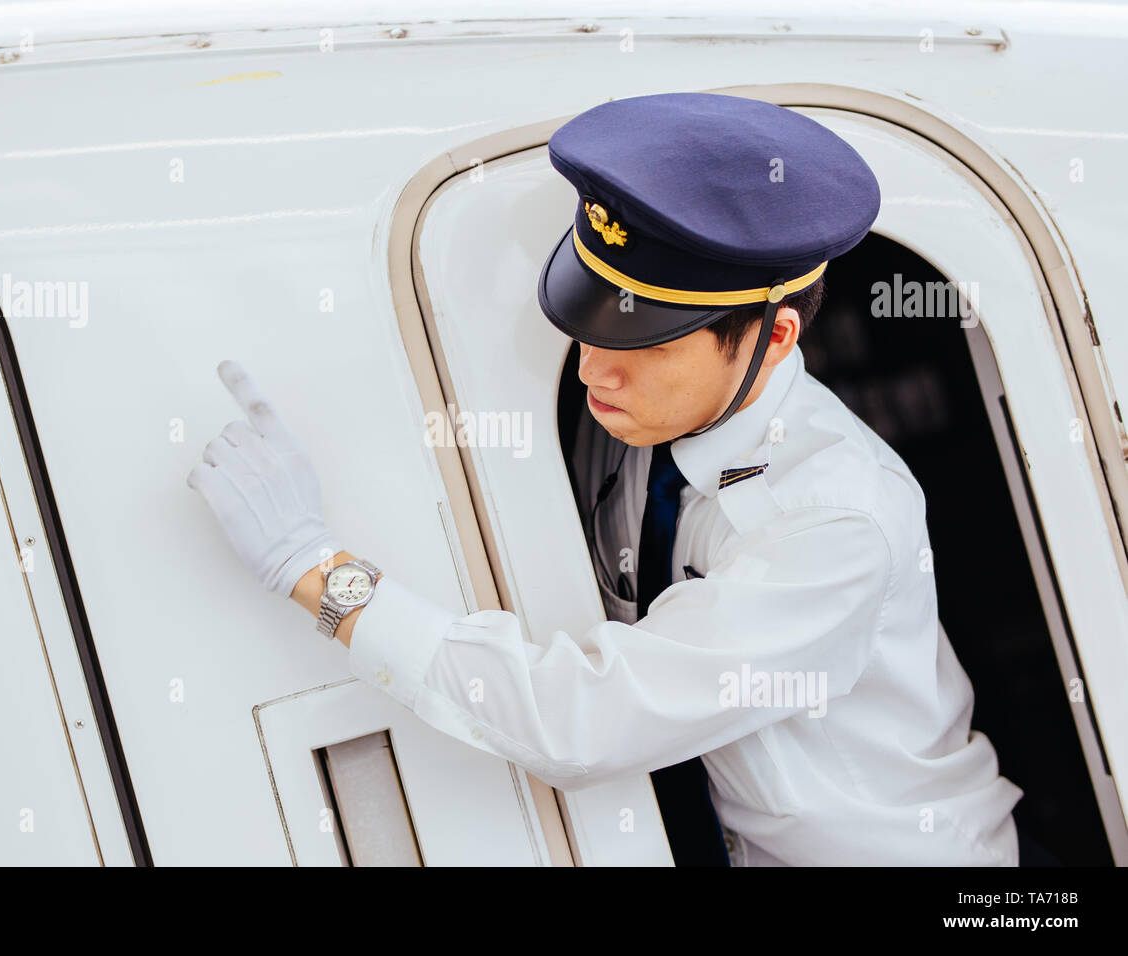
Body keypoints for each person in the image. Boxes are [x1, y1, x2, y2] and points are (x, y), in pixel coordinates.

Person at [187, 92, 1024, 865]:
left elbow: (583, 722)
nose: (596, 371)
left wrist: (314, 569)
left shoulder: (835, 519)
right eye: (588, 320)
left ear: (772, 339)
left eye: (649, 343)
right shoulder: (635, 414)